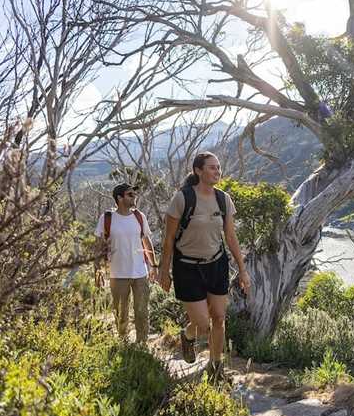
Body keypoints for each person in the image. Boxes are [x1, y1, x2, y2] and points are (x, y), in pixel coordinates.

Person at [159, 152, 251, 382]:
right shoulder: (183, 198)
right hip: (187, 267)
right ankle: (188, 335)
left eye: (218, 168)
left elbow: (231, 236)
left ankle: (216, 368)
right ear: (198, 171)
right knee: (202, 324)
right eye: (212, 168)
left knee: (219, 317)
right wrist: (164, 270)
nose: (217, 172)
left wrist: (242, 270)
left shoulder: (224, 199)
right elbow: (169, 238)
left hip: (216, 264)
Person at [95, 183, 157, 343]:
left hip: (140, 273)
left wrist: (154, 266)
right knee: (121, 314)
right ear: (119, 198)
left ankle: (142, 345)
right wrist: (98, 270)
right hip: (118, 274)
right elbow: (99, 246)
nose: (134, 197)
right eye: (130, 194)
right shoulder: (107, 219)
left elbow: (146, 241)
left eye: (134, 194)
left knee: (142, 312)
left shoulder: (139, 216)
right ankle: (123, 343)